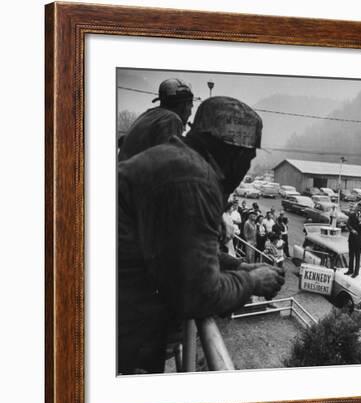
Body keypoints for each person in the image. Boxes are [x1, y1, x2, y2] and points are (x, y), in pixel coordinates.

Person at [117, 96, 285, 374]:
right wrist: (252, 281)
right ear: (236, 154)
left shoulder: (179, 161)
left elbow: (178, 249)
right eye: (249, 158)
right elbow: (198, 294)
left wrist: (237, 266)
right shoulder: (194, 179)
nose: (245, 170)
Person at [118, 78, 194, 161]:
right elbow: (168, 161)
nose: (190, 113)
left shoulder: (149, 114)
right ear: (184, 105)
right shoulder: (171, 119)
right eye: (190, 106)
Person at [345, 208, 361, 277]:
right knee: (351, 255)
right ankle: (350, 270)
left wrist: (360, 223)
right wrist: (351, 230)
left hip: (359, 240)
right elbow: (348, 224)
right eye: (357, 209)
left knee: (357, 256)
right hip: (351, 238)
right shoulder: (352, 215)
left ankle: (356, 272)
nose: (358, 211)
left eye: (360, 210)